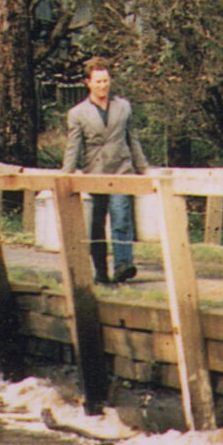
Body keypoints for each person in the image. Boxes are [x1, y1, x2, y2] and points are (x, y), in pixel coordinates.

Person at [61, 56, 150, 286]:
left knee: (121, 217)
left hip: (121, 170)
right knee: (97, 223)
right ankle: (100, 271)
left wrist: (143, 169)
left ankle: (122, 265)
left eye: (105, 80)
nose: (103, 85)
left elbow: (133, 140)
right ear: (88, 83)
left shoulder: (123, 107)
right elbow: (73, 147)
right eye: (98, 81)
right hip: (95, 173)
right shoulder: (77, 113)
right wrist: (66, 174)